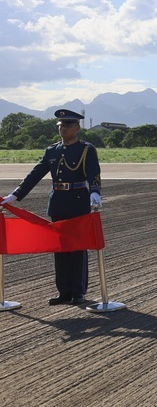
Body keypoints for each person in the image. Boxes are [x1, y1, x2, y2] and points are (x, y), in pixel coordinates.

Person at [0, 109, 101, 306]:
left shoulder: (86, 149)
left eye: (67, 125)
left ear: (77, 128)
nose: (63, 129)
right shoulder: (52, 151)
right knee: (60, 248)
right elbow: (35, 174)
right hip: (58, 203)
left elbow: (93, 172)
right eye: (60, 126)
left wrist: (95, 191)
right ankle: (63, 291)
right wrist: (15, 195)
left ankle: (78, 292)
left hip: (78, 201)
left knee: (77, 248)